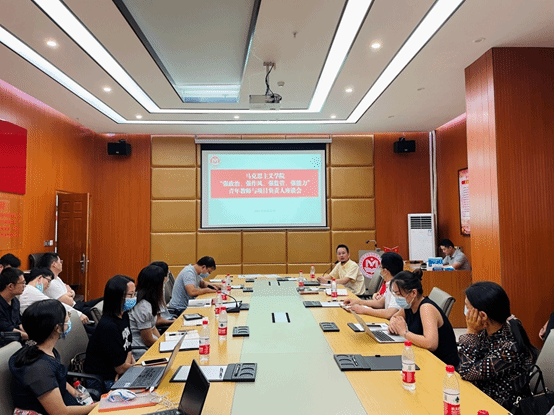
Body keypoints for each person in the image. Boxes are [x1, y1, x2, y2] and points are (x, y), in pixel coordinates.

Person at [458, 281, 538, 409]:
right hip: (481, 394)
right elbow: (465, 365)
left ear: (483, 315)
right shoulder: (487, 331)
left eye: (467, 307)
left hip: (500, 406)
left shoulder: (509, 347)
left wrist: (471, 332)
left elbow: (466, 372)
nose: (466, 311)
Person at [9, 299, 97, 414]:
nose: (69, 320)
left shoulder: (41, 349)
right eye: (67, 317)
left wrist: (77, 394)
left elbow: (57, 379)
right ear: (57, 328)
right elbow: (60, 412)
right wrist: (98, 406)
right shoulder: (39, 368)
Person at [388, 269, 459, 367]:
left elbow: (430, 344)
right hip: (423, 356)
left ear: (413, 293)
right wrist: (393, 324)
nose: (397, 297)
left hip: (441, 364)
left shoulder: (426, 308)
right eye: (395, 294)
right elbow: (395, 317)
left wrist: (404, 332)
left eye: (399, 294)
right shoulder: (409, 305)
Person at [84, 275, 136, 389]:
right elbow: (119, 368)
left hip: (119, 371)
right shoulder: (108, 326)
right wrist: (133, 367)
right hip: (102, 380)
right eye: (130, 295)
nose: (134, 298)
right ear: (118, 296)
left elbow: (128, 348)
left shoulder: (124, 315)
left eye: (134, 294)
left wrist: (126, 368)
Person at [20, 268, 91, 330]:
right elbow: (54, 305)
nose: (48, 285)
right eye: (48, 281)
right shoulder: (30, 291)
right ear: (40, 278)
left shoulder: (32, 291)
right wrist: (79, 314)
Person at [39, 252, 100, 319]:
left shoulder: (57, 278)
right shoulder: (51, 282)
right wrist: (70, 293)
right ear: (54, 264)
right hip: (73, 310)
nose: (61, 264)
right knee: (99, 312)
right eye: (60, 262)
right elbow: (69, 302)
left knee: (103, 300)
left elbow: (71, 291)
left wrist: (68, 293)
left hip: (77, 304)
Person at [342, 252, 403, 318]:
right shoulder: (390, 283)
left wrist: (363, 310)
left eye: (380, 267)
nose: (380, 270)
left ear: (385, 271)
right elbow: (380, 303)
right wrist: (357, 301)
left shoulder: (398, 287)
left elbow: (389, 313)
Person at [129, 265, 165, 359]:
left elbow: (152, 327)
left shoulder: (148, 301)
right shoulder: (143, 306)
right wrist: (164, 346)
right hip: (140, 351)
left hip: (148, 347)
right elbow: (147, 340)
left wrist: (162, 342)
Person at [0, 267, 28, 344]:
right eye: (22, 283)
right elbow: (8, 330)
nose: (24, 286)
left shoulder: (15, 301)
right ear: (10, 286)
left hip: (16, 340)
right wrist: (31, 336)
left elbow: (18, 323)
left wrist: (29, 331)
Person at [149, 260, 176, 327]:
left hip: (168, 318)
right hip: (163, 324)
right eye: (168, 273)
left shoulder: (159, 288)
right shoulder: (154, 293)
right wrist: (173, 321)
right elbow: (157, 321)